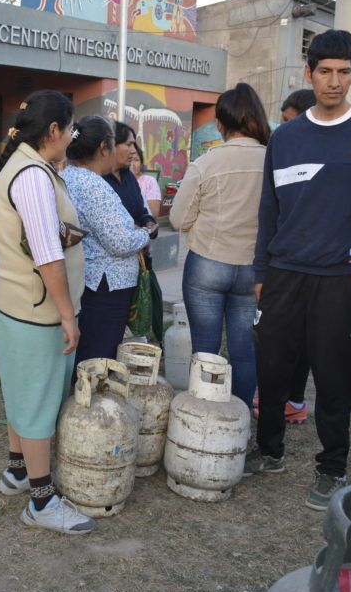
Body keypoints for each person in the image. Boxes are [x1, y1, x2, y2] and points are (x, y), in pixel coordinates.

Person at [246, 29, 351, 511]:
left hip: (339, 279)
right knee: (272, 371)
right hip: (284, 274)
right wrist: (261, 272)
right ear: (308, 74)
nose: (334, 81)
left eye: (343, 72)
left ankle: (332, 467)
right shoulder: (285, 137)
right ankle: (269, 450)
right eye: (325, 71)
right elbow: (269, 209)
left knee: (334, 379)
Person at [0, 90, 94, 535]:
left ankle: (17, 471)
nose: (72, 137)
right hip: (37, 311)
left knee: (21, 395)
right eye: (69, 129)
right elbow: (47, 256)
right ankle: (42, 500)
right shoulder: (32, 175)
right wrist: (68, 314)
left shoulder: (27, 166)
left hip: (18, 303)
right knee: (36, 403)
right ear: (53, 130)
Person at [169, 83, 270, 408]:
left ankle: (203, 417)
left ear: (221, 123)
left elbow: (178, 219)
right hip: (254, 269)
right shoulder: (272, 160)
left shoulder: (206, 163)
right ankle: (238, 420)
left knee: (205, 349)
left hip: (208, 264)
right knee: (245, 352)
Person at [250, 89, 321, 424]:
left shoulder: (319, 154)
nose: (283, 128)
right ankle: (280, 405)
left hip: (315, 267)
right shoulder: (281, 150)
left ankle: (293, 400)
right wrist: (261, 271)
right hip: (282, 264)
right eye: (282, 121)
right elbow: (269, 212)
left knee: (302, 341)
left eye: (289, 121)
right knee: (279, 340)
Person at [63, 117, 150, 365]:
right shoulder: (94, 185)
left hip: (87, 279)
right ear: (104, 147)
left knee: (87, 353)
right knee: (98, 359)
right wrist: (144, 233)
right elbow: (121, 243)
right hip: (106, 285)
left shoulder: (68, 176)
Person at [130, 140, 161, 216]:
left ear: (141, 164)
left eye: (136, 160)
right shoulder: (119, 181)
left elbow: (153, 213)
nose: (132, 164)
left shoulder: (149, 181)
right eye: (129, 159)